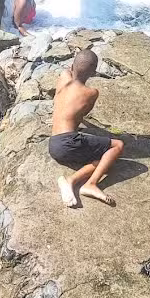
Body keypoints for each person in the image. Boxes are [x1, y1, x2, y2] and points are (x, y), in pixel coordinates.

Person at [49, 49, 124, 208]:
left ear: (72, 65)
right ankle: (90, 184)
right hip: (68, 142)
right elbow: (81, 114)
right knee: (117, 146)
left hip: (53, 144)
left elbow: (73, 113)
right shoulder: (91, 92)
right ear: (93, 72)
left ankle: (72, 181)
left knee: (102, 159)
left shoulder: (63, 77)